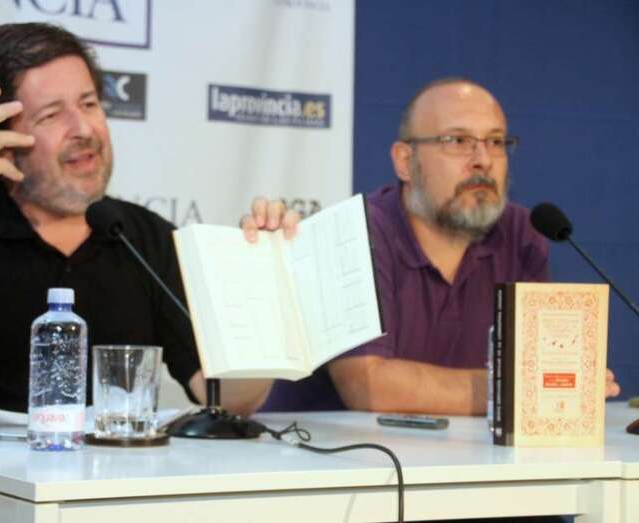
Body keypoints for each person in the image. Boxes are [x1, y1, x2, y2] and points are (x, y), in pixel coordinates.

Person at [0, 23, 274, 522]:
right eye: (52, 114)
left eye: (89, 103)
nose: (84, 129)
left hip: (100, 507)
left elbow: (226, 396)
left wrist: (264, 292)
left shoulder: (143, 236)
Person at [244, 77, 620, 415]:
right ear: (405, 161)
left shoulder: (522, 233)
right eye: (457, 141)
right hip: (333, 461)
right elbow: (369, 386)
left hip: (465, 457)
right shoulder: (356, 233)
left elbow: (545, 370)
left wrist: (559, 382)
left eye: (495, 142)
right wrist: (514, 388)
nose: (483, 161)